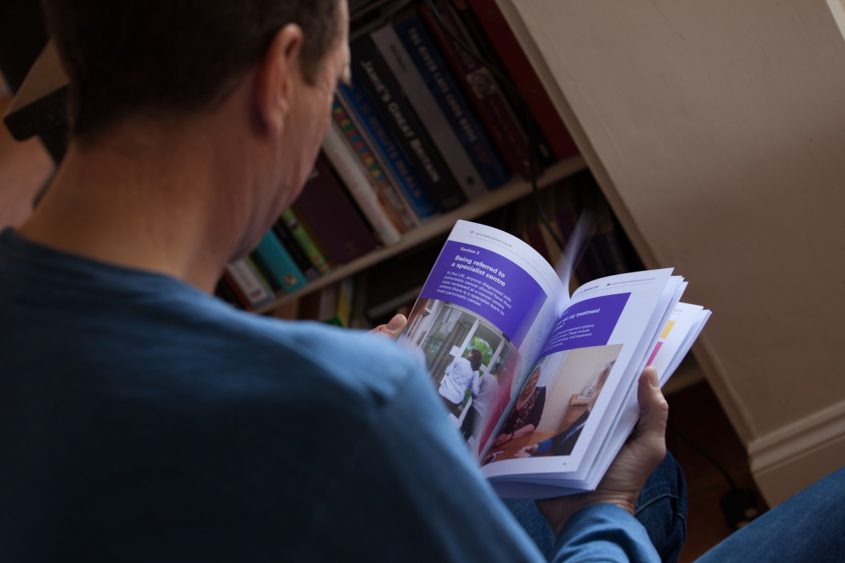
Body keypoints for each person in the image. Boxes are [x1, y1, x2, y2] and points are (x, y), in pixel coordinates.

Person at [2, 0, 842, 561]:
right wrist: (605, 512)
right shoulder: (338, 406)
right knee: (636, 475)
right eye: (332, 86)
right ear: (275, 77)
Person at [493, 365, 546, 448]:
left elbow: (533, 425)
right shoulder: (515, 389)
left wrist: (508, 437)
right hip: (497, 438)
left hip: (514, 441)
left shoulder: (539, 393)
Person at [438, 348, 483, 417]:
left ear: (471, 354)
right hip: (455, 400)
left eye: (469, 352)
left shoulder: (461, 360)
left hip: (444, 392)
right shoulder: (476, 372)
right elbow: (474, 390)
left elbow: (447, 371)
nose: (468, 354)